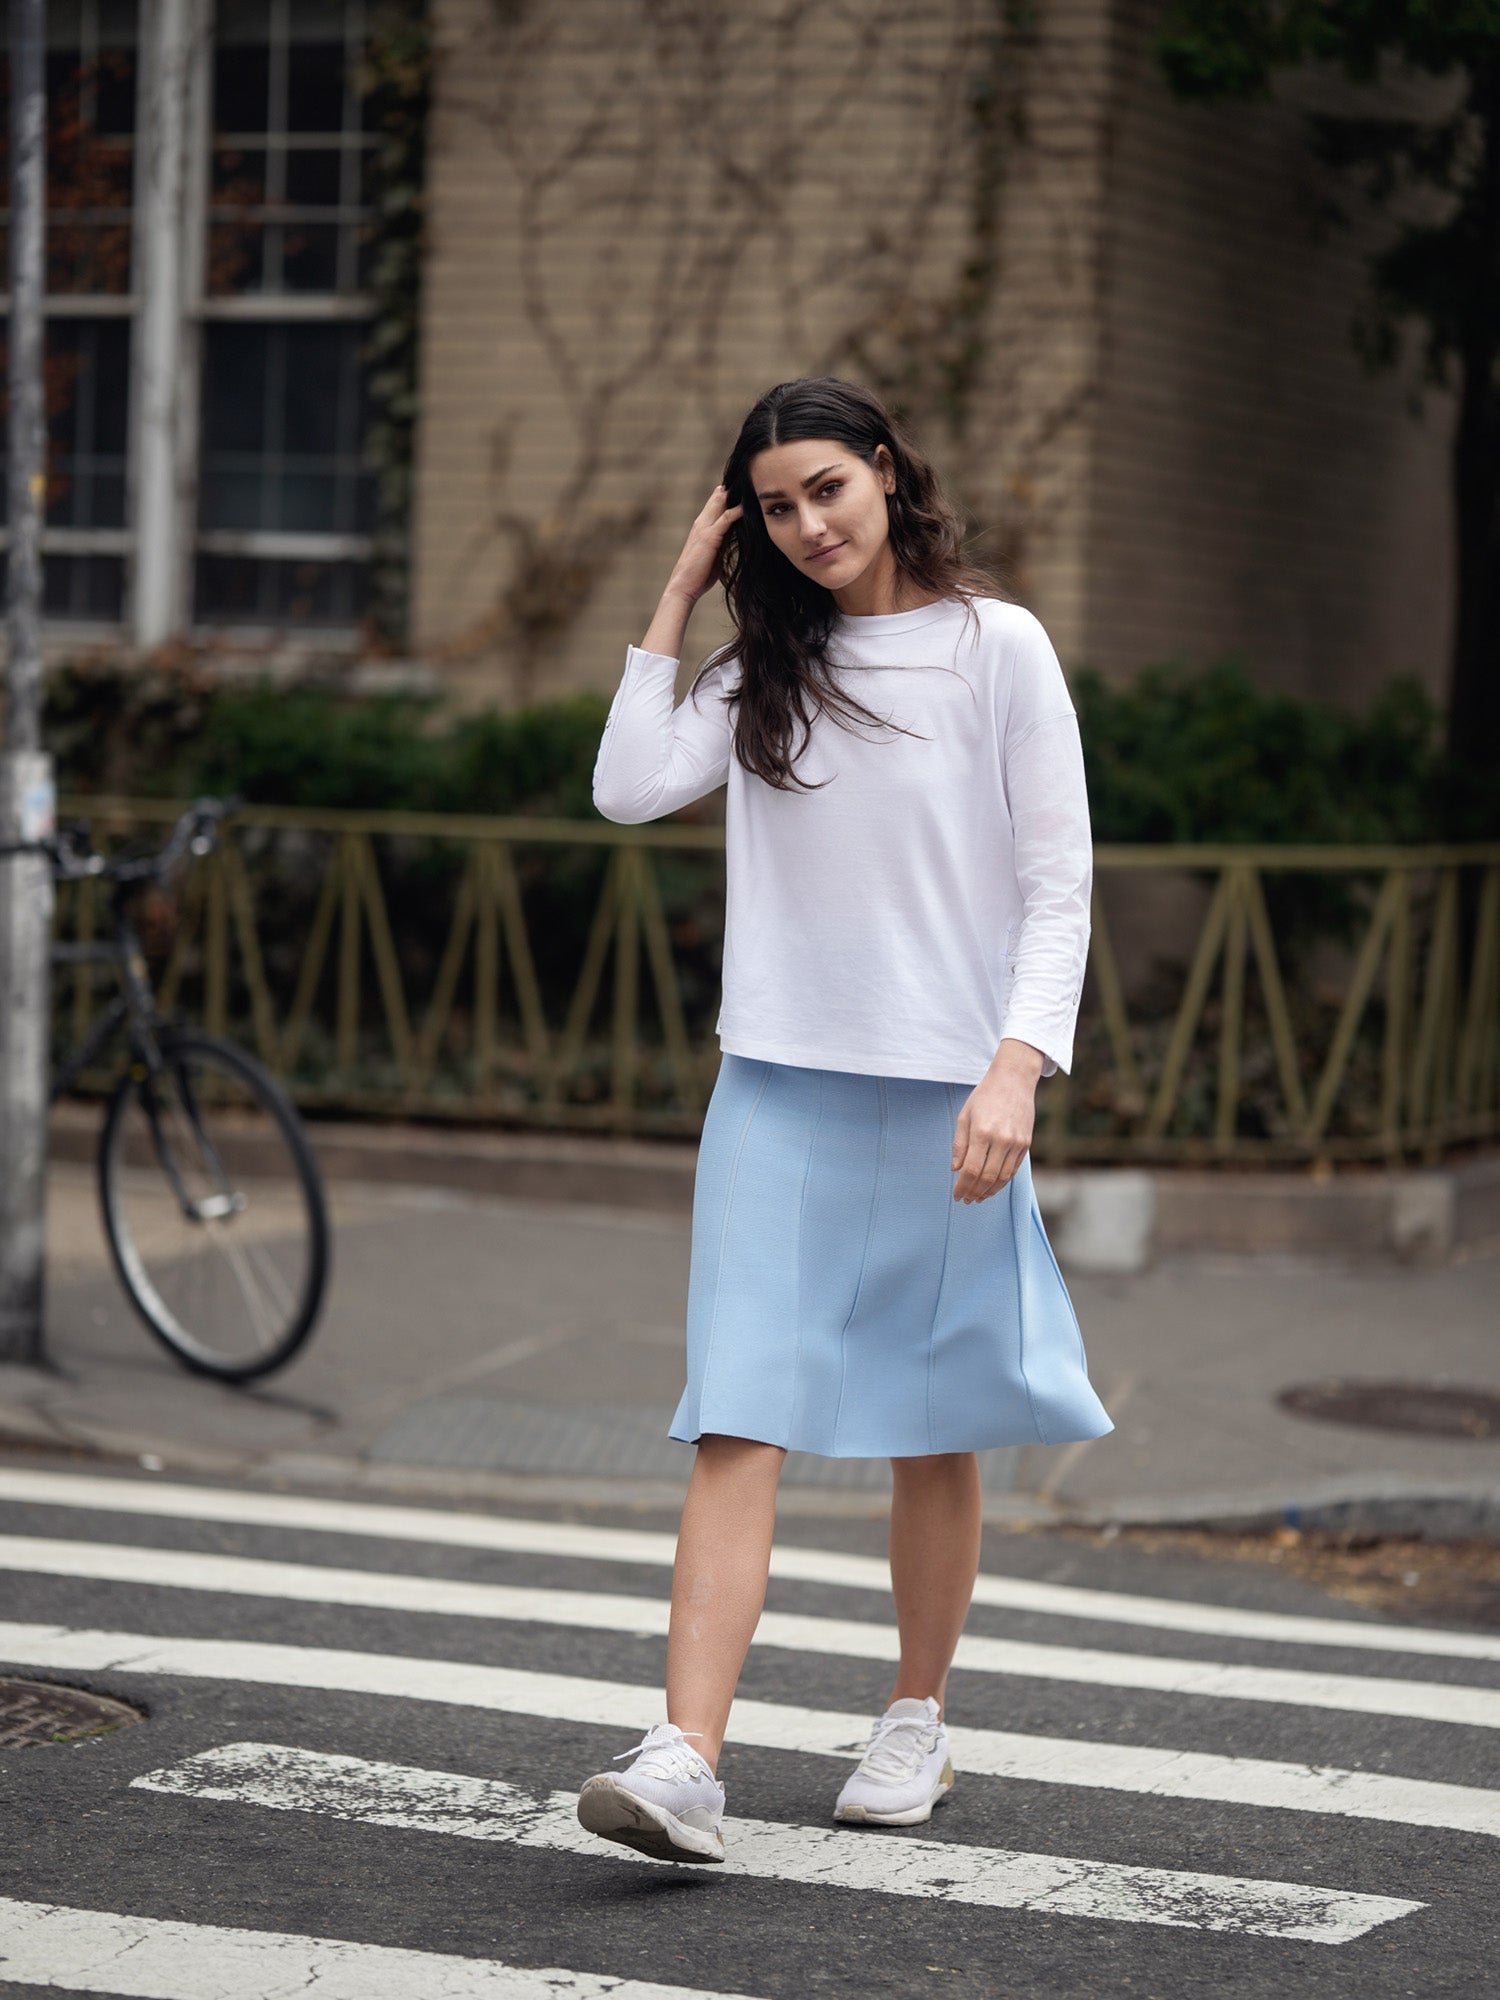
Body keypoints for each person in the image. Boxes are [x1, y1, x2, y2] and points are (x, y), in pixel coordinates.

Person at [575, 374, 1112, 1866]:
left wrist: (1017, 1067)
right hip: (777, 1092)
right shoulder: (763, 669)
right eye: (773, 507)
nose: (808, 524)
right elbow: (628, 787)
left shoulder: (997, 647)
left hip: (950, 1097)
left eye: (827, 488)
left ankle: (915, 1716)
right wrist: (680, 591)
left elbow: (1059, 882)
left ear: (885, 471)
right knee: (738, 1411)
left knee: (934, 1424)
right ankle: (686, 1758)